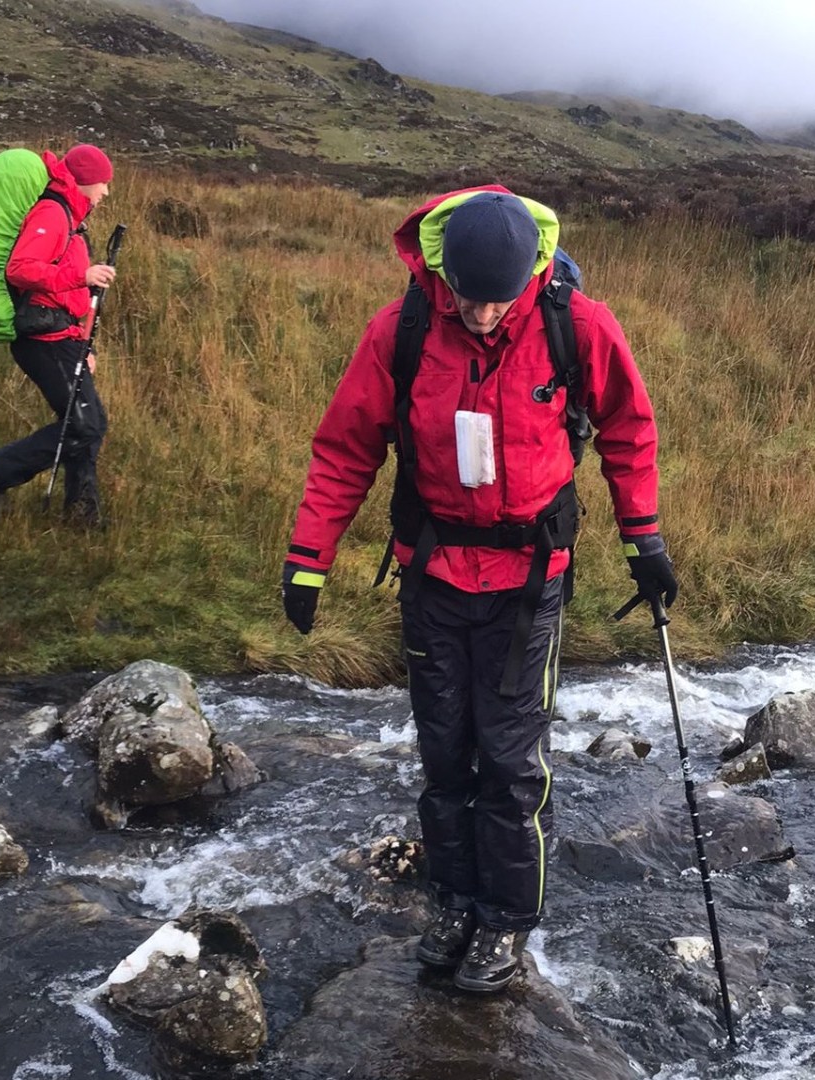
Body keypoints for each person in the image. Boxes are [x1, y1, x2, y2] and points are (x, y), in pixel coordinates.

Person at [280, 187, 677, 993]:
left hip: (529, 585)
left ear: (529, 274)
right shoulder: (404, 331)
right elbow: (346, 447)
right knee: (443, 752)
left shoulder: (578, 325)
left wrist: (645, 540)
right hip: (432, 577)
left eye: (499, 300)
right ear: (442, 274)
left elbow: (630, 429)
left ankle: (505, 921)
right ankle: (454, 902)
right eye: (469, 297)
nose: (484, 315)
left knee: (510, 759)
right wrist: (307, 557)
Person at [0, 143, 117, 527]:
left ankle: (83, 515)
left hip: (63, 338)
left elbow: (73, 297)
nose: (106, 191)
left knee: (90, 421)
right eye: (102, 182)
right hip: (42, 341)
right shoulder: (52, 212)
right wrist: (81, 276)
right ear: (82, 181)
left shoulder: (73, 219)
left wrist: (84, 346)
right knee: (82, 425)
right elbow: (21, 269)